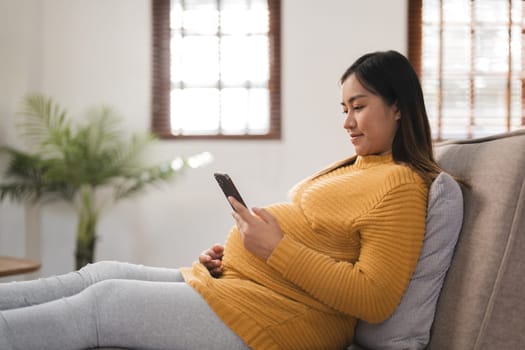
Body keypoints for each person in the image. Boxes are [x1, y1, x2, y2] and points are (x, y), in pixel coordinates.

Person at [0, 50, 443, 350]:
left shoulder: (400, 186)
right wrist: (236, 256)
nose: (347, 121)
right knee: (100, 273)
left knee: (103, 303)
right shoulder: (361, 166)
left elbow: (374, 298)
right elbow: (320, 244)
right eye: (343, 108)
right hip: (241, 285)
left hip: (282, 318)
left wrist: (274, 249)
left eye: (359, 106)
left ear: (399, 106)